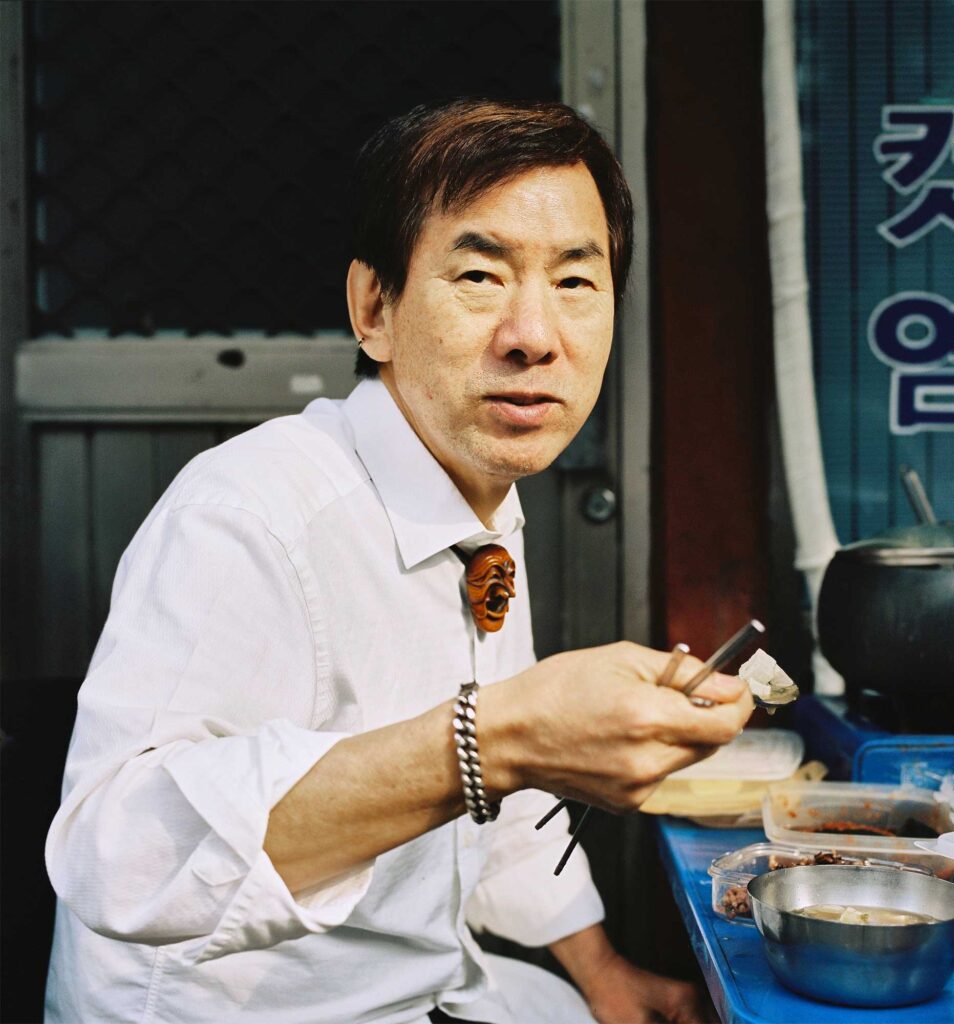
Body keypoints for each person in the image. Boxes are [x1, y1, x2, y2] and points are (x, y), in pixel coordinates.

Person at [44, 99, 753, 1024]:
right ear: (374, 309)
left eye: (577, 282)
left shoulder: (482, 492)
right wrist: (497, 735)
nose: (534, 334)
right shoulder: (252, 513)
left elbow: (499, 813)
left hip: (427, 988)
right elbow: (116, 853)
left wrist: (604, 972)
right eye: (479, 275)